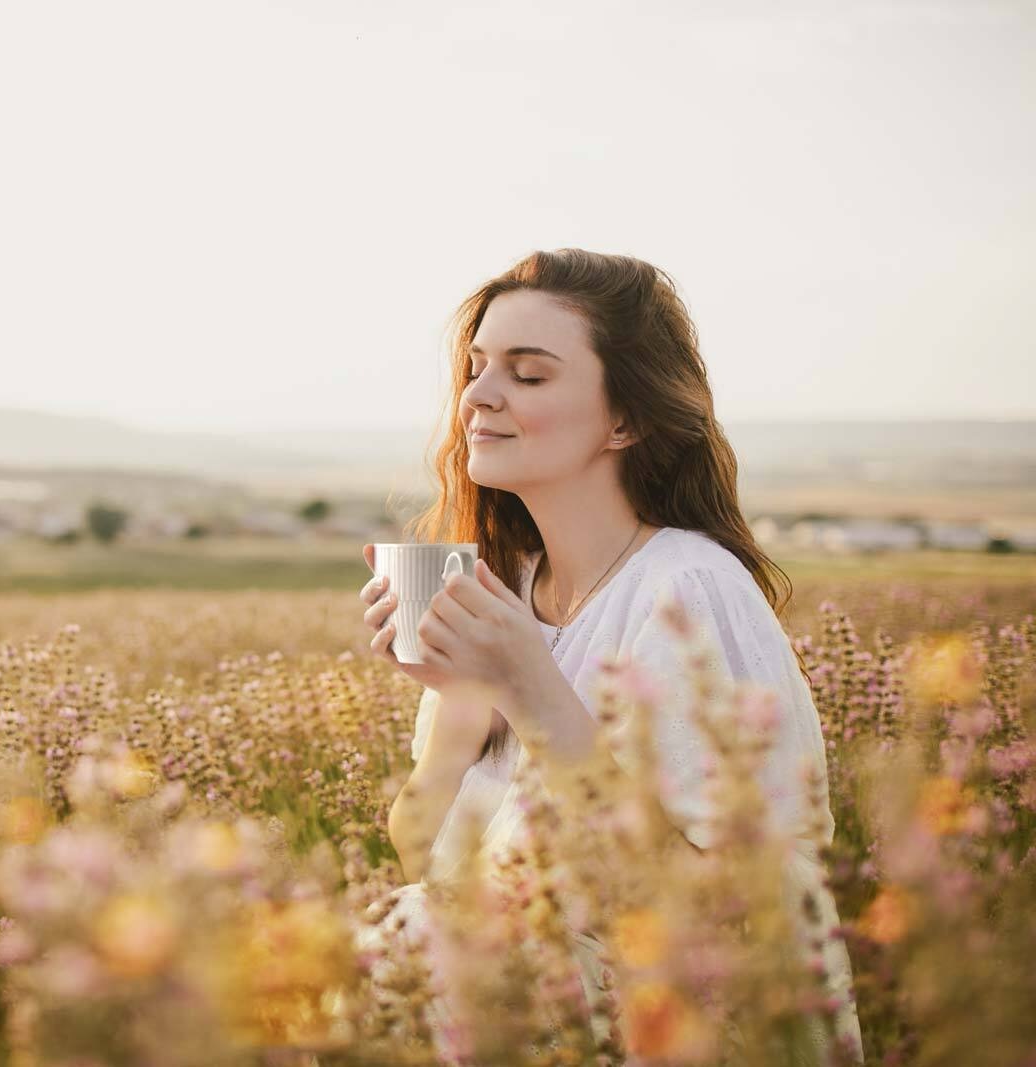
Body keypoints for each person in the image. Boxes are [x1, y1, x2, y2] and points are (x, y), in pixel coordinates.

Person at [352, 248, 863, 1064]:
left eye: (528, 374)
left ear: (624, 420)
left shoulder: (686, 590)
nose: (478, 395)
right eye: (477, 368)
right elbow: (422, 858)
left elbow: (730, 917)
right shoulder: (505, 588)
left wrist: (533, 689)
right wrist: (465, 697)